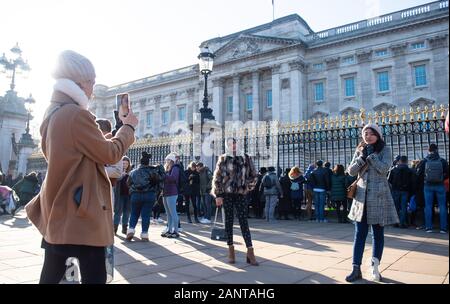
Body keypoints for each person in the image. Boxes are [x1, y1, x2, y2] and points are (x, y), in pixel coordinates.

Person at [25, 50, 138, 284]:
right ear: (79, 81)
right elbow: (110, 153)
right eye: (91, 82)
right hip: (81, 212)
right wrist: (127, 128)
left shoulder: (53, 112)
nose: (93, 89)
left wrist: (104, 135)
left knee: (51, 274)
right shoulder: (76, 115)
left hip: (59, 208)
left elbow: (73, 153)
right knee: (95, 276)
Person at [345, 123, 399, 283]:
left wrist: (372, 156)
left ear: (378, 135)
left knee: (377, 234)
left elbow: (384, 169)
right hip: (361, 197)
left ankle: (375, 268)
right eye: (365, 133)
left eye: (371, 133)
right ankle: (356, 268)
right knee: (359, 234)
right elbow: (351, 171)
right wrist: (361, 158)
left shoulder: (385, 150)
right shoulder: (360, 150)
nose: (367, 136)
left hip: (379, 196)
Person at [212, 137, 259, 266]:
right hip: (226, 195)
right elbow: (217, 178)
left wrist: (246, 187)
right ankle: (231, 250)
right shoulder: (223, 159)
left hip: (240, 195)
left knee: (244, 222)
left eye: (233, 143)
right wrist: (218, 195)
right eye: (229, 144)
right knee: (229, 222)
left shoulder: (246, 158)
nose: (232, 146)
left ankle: (250, 251)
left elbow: (254, 176)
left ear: (237, 144)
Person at [126, 152, 164, 241]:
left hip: (135, 195)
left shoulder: (133, 172)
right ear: (148, 162)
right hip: (149, 195)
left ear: (140, 162)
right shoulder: (152, 171)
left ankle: (131, 229)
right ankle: (144, 234)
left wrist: (133, 190)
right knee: (146, 215)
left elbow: (128, 183)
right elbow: (160, 179)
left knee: (134, 213)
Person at [416, 144, 449, 234]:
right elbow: (447, 173)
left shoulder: (424, 161)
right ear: (437, 150)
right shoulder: (442, 161)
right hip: (440, 185)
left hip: (428, 186)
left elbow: (418, 174)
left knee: (428, 206)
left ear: (428, 150)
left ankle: (429, 227)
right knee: (442, 206)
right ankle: (443, 228)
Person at [388, 155, 415, 228]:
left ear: (400, 161)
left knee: (396, 207)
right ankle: (402, 223)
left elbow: (389, 180)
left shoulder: (393, 169)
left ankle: (395, 222)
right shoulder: (409, 170)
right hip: (405, 191)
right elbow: (412, 182)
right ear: (406, 161)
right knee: (404, 207)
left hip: (395, 190)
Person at [161, 152, 181, 238]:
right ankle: (169, 230)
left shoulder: (175, 168)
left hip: (172, 193)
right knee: (168, 213)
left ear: (172, 160)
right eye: (166, 160)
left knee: (173, 213)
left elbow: (173, 178)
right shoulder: (168, 169)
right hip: (166, 193)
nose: (167, 161)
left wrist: (164, 175)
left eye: (168, 160)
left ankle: (176, 231)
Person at [113, 156, 132, 235]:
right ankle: (114, 229)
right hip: (119, 195)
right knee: (118, 212)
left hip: (128, 195)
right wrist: (121, 176)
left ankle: (124, 228)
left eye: (126, 163)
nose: (125, 165)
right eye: (123, 163)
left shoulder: (131, 172)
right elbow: (114, 181)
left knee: (127, 212)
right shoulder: (117, 171)